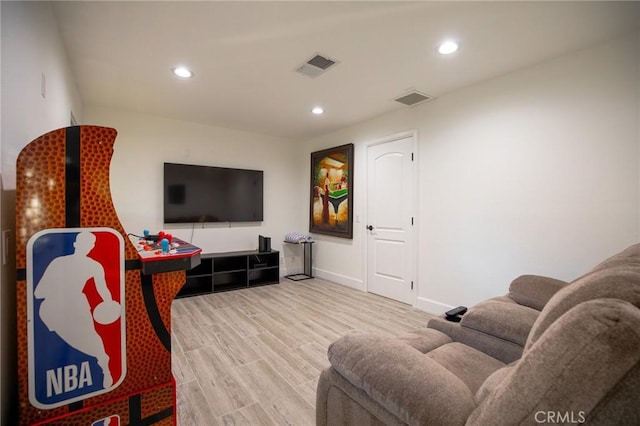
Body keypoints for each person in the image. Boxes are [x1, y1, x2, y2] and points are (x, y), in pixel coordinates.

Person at [35, 231, 116, 389]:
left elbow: (103, 290)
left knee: (92, 340)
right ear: (75, 244)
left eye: (90, 244)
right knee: (58, 344)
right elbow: (39, 292)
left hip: (76, 305)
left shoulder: (92, 266)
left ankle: (105, 367)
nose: (87, 247)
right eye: (85, 244)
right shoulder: (59, 263)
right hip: (53, 308)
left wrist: (109, 303)